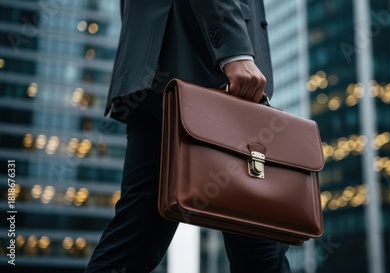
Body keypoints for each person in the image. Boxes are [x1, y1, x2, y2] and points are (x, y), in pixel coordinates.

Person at [84, 0, 291, 272]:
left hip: (166, 68)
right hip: (199, 69)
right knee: (261, 246)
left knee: (135, 237)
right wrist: (235, 52)